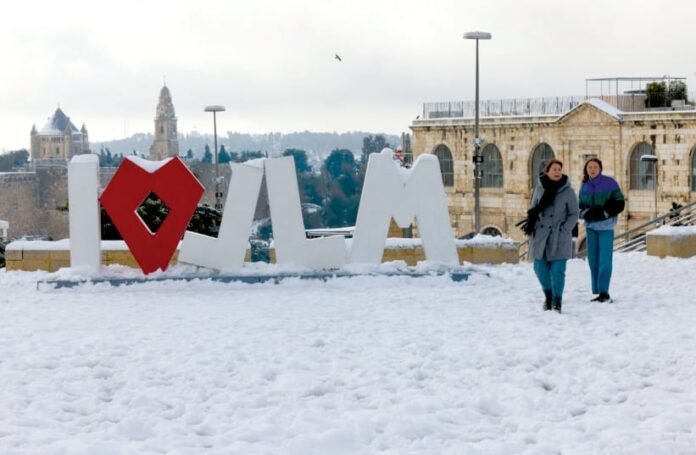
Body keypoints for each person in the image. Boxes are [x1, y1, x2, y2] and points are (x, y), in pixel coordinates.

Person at [517, 159, 579, 313]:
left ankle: (557, 301)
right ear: (547, 172)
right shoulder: (538, 189)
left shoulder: (568, 191)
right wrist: (534, 224)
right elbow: (532, 209)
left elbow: (574, 213)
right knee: (539, 268)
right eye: (554, 169)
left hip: (559, 236)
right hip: (541, 235)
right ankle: (548, 295)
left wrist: (565, 228)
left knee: (558, 270)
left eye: (559, 169)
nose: (557, 172)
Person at [579, 158, 625, 303]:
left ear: (600, 168)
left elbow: (620, 202)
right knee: (593, 260)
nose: (592, 169)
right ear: (586, 170)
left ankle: (604, 292)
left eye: (595, 167)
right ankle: (597, 290)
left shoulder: (609, 183)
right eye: (589, 167)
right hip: (591, 227)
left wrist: (605, 213)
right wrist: (585, 214)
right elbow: (579, 207)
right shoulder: (584, 186)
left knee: (605, 260)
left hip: (606, 227)